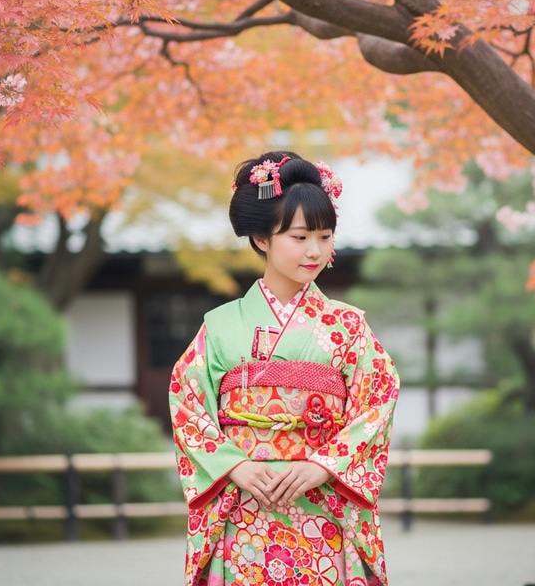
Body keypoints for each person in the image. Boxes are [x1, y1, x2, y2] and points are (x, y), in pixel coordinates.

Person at [169, 151, 399, 586]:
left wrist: (325, 465)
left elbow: (378, 398)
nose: (315, 251)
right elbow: (186, 402)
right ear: (262, 239)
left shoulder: (348, 327)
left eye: (325, 236)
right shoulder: (219, 328)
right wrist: (234, 466)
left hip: (324, 502)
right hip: (244, 503)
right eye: (299, 237)